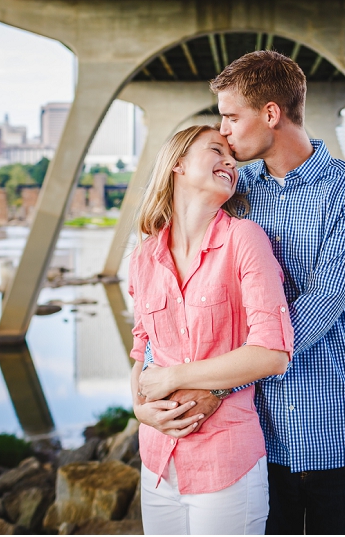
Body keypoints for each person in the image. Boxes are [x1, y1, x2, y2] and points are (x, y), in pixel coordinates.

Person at [143, 51, 345, 534]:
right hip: (254, 436)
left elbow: (321, 305)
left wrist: (214, 383)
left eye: (232, 116)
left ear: (271, 114)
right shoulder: (233, 191)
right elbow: (182, 285)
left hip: (337, 427)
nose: (225, 131)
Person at [127, 124, 295, 535]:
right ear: (178, 164)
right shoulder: (145, 256)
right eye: (215, 150)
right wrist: (138, 409)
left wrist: (174, 377)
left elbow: (272, 353)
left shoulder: (245, 239)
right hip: (156, 460)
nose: (229, 161)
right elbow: (141, 350)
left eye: (232, 157)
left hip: (226, 462)